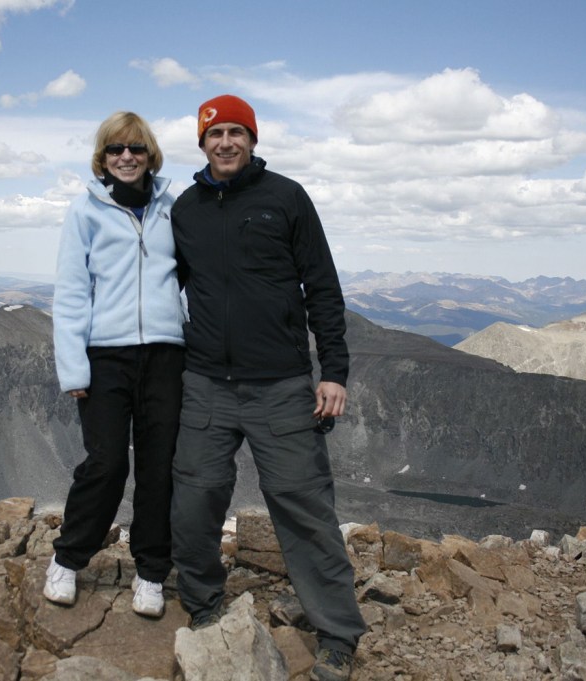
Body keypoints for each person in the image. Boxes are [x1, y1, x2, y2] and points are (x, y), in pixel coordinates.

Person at [170, 95, 366, 681]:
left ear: (252, 139)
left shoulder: (286, 198)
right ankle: (203, 605)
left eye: (236, 132)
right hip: (205, 382)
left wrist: (333, 370)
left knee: (303, 507)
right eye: (215, 134)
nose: (225, 142)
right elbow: (162, 289)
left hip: (281, 385)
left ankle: (336, 633)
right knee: (195, 499)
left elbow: (322, 288)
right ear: (201, 144)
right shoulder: (186, 209)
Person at [47, 111, 185, 619]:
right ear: (102, 158)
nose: (126, 157)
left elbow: (191, 277)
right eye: (115, 149)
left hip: (167, 355)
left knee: (158, 467)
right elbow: (70, 293)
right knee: (105, 463)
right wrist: (73, 369)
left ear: (150, 154)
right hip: (105, 357)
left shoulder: (174, 206)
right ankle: (68, 559)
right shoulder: (85, 211)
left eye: (136, 148)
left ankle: (150, 572)